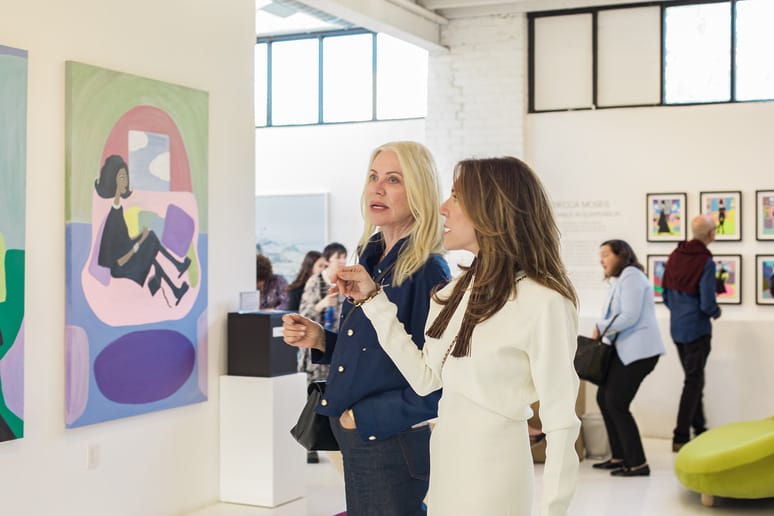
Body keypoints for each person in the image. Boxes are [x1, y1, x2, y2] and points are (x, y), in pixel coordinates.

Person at [333, 156, 580, 516]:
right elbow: (425, 379)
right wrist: (373, 299)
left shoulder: (544, 301)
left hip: (495, 476)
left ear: (492, 209)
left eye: (456, 196)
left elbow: (561, 423)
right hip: (446, 468)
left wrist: (553, 511)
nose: (442, 208)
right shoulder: (452, 293)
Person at [282, 141, 450, 515]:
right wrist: (321, 339)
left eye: (393, 179)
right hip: (362, 435)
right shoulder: (373, 258)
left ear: (419, 190)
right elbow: (381, 349)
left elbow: (437, 376)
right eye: (373, 177)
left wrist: (365, 418)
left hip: (390, 437)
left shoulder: (428, 271)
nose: (377, 188)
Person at [591, 240, 665, 477]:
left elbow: (630, 316)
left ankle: (637, 463)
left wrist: (600, 327)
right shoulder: (621, 280)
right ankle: (619, 456)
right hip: (626, 349)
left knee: (616, 402)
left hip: (640, 351)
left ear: (621, 255)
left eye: (606, 255)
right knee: (604, 398)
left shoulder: (632, 276)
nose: (601, 260)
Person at [95, 155, 191, 306]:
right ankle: (176, 279)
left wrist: (140, 237)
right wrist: (139, 242)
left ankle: (175, 286)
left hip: (127, 256)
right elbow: (118, 260)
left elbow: (124, 242)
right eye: (121, 177)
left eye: (125, 176)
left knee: (150, 241)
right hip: (121, 268)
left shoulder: (118, 209)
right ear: (113, 181)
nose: (125, 180)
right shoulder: (113, 217)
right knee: (150, 241)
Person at [662, 214, 721, 452]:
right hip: (697, 330)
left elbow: (665, 295)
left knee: (694, 379)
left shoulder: (675, 255)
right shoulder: (706, 261)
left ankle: (700, 428)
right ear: (710, 234)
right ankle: (680, 435)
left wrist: (679, 312)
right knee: (693, 381)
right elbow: (707, 302)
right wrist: (716, 312)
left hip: (677, 328)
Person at [297, 242, 347, 464]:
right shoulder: (314, 282)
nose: (342, 261)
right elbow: (304, 313)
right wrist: (322, 304)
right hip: (314, 350)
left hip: (339, 347)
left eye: (344, 257)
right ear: (328, 259)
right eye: (338, 257)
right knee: (314, 394)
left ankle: (337, 440)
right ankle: (312, 442)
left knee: (336, 392)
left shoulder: (345, 282)